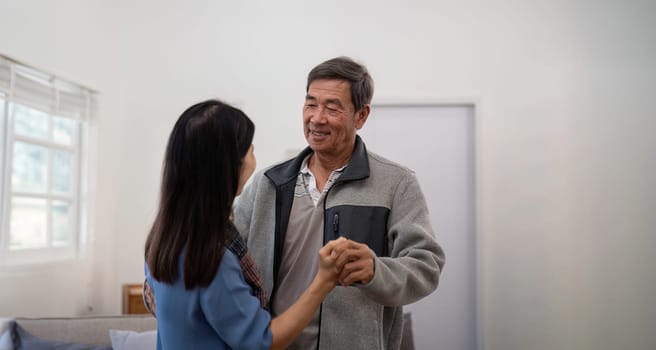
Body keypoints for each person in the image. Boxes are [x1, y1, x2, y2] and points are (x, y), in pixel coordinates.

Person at [233, 56, 446, 350]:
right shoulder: (268, 184)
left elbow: (427, 266)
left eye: (332, 108)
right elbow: (217, 247)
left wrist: (375, 270)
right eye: (311, 104)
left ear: (361, 116)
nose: (317, 118)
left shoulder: (396, 183)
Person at [143, 100, 345, 350]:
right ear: (227, 166)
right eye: (249, 149)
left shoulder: (163, 238)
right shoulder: (212, 258)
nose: (253, 156)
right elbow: (263, 341)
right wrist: (323, 281)